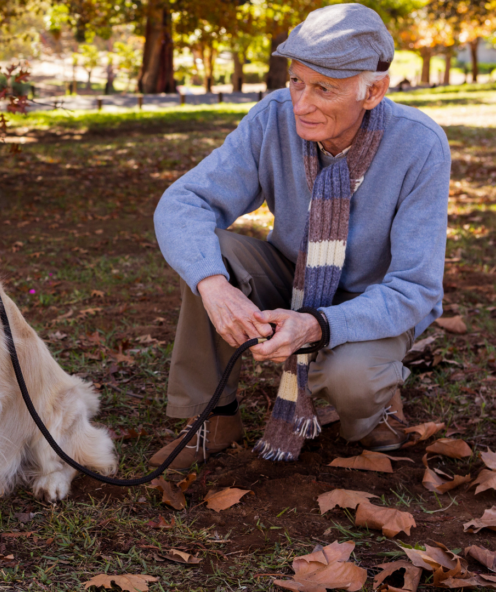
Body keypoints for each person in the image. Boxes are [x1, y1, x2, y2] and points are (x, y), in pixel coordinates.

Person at [150, 3, 451, 470]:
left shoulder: (420, 145)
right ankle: (212, 417)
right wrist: (213, 285)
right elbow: (184, 202)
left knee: (352, 376)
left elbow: (416, 287)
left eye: (323, 89)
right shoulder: (273, 118)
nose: (301, 103)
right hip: (294, 275)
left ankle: (377, 410)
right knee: (213, 255)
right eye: (296, 81)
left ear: (373, 91)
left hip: (371, 298)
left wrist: (318, 325)